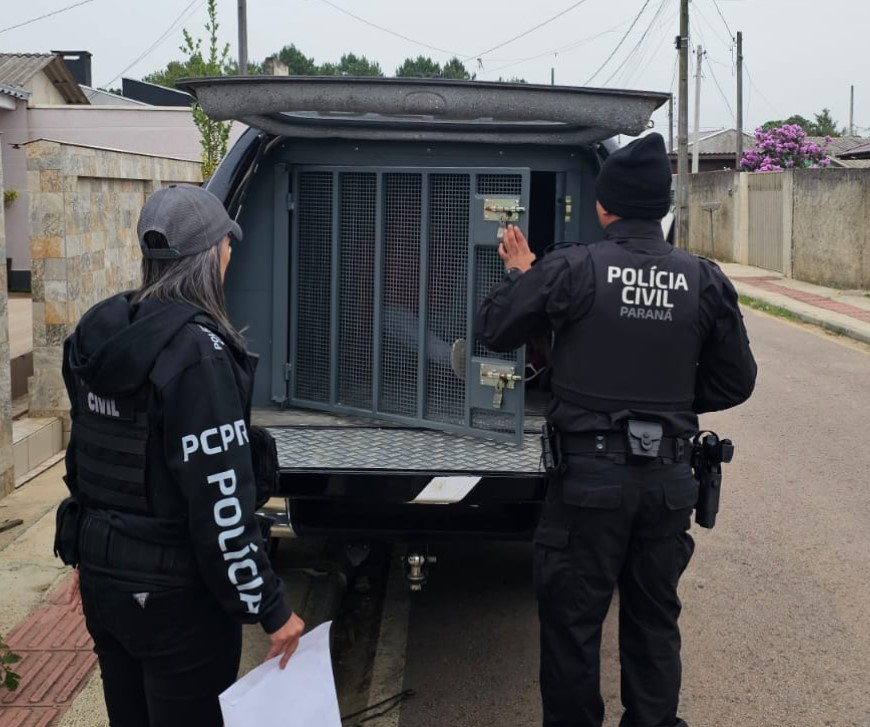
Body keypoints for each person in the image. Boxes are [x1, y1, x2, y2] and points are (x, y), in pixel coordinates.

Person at [476, 133, 757, 727]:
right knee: (654, 624)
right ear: (662, 208)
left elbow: (494, 329)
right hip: (667, 485)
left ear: (604, 207)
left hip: (587, 486)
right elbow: (736, 382)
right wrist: (670, 402)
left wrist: (522, 274)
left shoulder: (573, 268)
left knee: (573, 628)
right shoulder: (704, 279)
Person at [57, 184, 304, 727]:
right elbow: (220, 500)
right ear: (210, 256)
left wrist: (88, 555)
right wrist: (270, 607)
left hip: (103, 582)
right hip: (177, 603)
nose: (231, 255)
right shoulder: (198, 354)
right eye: (227, 245)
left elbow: (84, 458)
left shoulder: (96, 334)